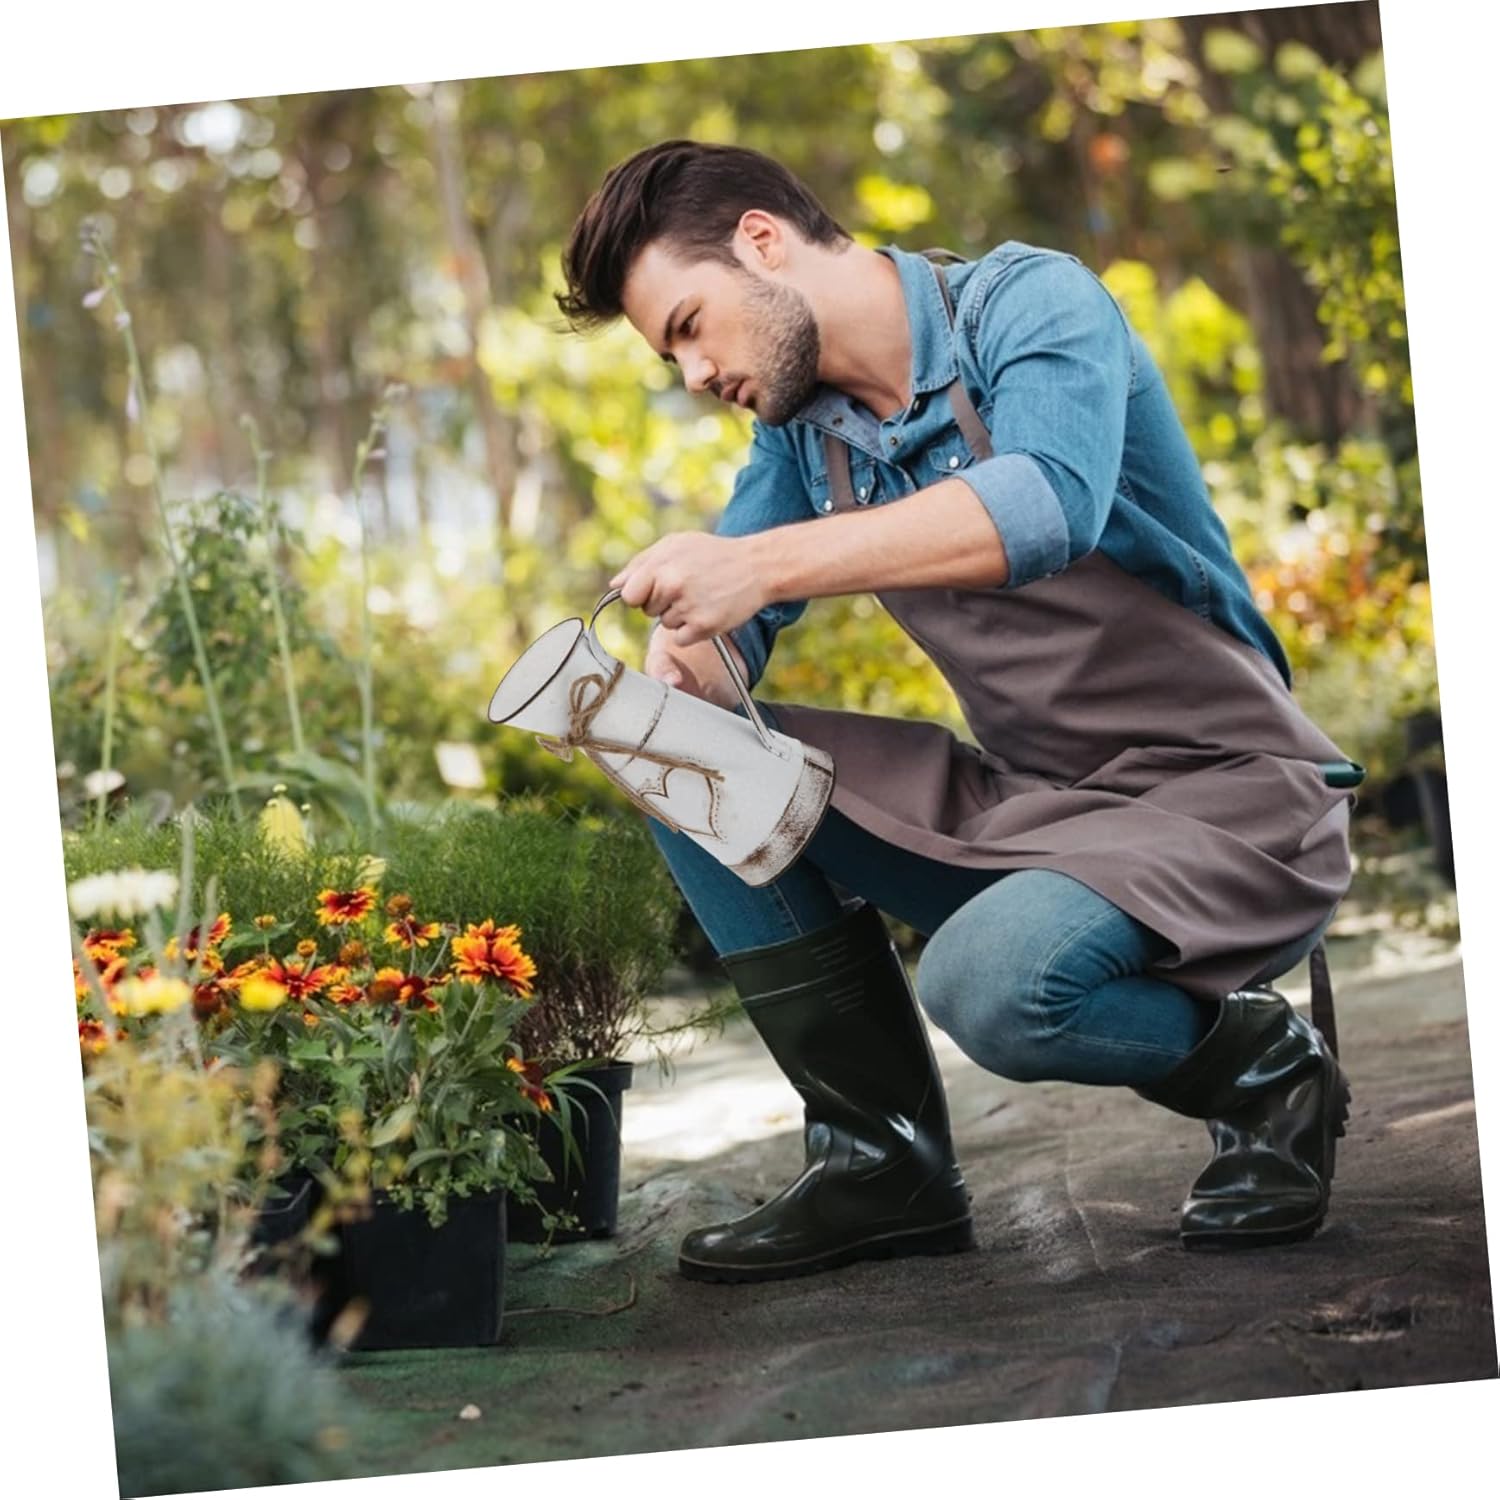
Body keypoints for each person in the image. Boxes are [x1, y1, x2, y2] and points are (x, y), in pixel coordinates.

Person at [555, 139, 1361, 1284]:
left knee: (988, 985)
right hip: (1041, 806)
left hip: (1225, 792)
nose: (691, 373)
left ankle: (1262, 1064)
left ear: (762, 242)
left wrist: (767, 568)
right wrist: (693, 656)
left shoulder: (1029, 305)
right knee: (678, 757)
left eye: (689, 325)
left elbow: (1044, 505)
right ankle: (883, 1163)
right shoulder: (805, 429)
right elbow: (733, 588)